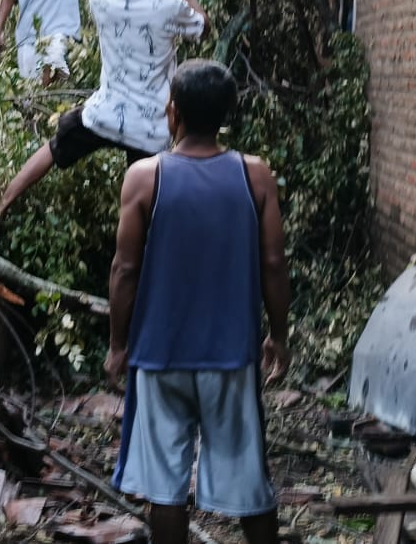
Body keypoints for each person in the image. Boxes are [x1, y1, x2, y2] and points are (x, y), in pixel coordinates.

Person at [105, 59, 290, 544]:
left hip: (160, 355)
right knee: (249, 479)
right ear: (226, 113)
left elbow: (125, 268)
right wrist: (279, 336)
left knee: (164, 487)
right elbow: (274, 264)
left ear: (173, 112)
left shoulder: (145, 177)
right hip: (230, 354)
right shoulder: (256, 176)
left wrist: (118, 345)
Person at [0, 0, 207, 214]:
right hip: (149, 129)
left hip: (104, 114)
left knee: (54, 148)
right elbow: (203, 27)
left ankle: (0, 206)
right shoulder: (170, 6)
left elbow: (137, 9)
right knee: (143, 206)